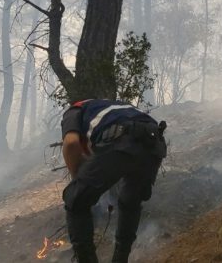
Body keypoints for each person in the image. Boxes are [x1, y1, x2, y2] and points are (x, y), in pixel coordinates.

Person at [61, 99, 167, 263]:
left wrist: (77, 183)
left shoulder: (75, 110)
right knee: (129, 201)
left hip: (122, 140)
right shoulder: (117, 107)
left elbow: (71, 142)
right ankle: (120, 259)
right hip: (155, 143)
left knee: (75, 200)